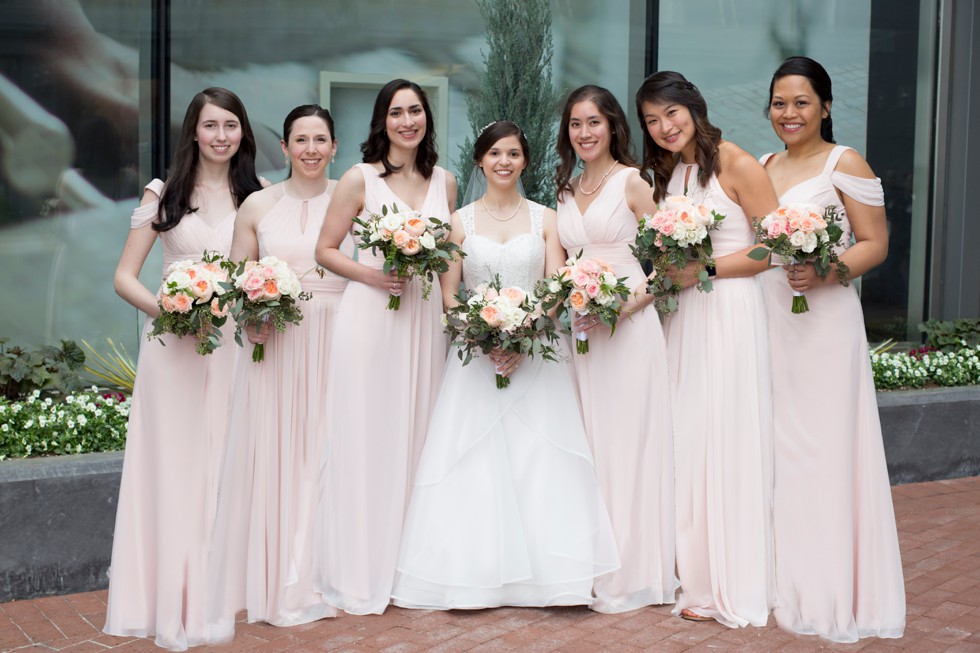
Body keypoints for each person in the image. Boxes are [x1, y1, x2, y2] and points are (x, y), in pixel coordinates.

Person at [391, 121, 620, 609]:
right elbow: (449, 294)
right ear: (480, 160)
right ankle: (474, 572)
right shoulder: (459, 221)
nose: (503, 162)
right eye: (494, 153)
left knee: (540, 458)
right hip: (475, 359)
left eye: (513, 153)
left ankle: (549, 576)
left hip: (537, 354)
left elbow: (556, 288)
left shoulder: (546, 219)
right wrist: (482, 333)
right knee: (474, 462)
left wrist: (524, 335)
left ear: (525, 161)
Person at [104, 87, 263, 651]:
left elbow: (262, 278)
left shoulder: (258, 195)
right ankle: (169, 598)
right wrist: (172, 312)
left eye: (231, 125)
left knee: (222, 459)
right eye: (210, 125)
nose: (221, 135)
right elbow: (126, 277)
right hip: (172, 349)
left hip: (232, 347)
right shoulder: (163, 192)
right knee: (174, 465)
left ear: (243, 132)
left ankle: (216, 595)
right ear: (193, 132)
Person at [760, 56, 905, 643]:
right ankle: (779, 577)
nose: (789, 113)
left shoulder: (844, 162)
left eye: (800, 102)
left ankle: (828, 586)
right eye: (779, 102)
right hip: (773, 318)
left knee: (825, 449)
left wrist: (827, 272)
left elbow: (876, 243)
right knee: (777, 448)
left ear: (824, 105)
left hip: (825, 323)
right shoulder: (764, 165)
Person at [635, 71, 780, 627]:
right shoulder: (670, 176)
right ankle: (693, 574)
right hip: (687, 315)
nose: (664, 126)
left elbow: (773, 247)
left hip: (730, 311)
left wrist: (706, 268)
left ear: (694, 107)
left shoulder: (737, 163)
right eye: (652, 119)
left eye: (671, 113)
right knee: (687, 438)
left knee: (726, 436)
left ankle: (732, 579)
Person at [205, 105, 350, 640]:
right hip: (280, 341)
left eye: (320, 140)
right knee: (282, 455)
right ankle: (279, 573)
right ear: (284, 148)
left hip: (341, 337)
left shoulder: (353, 200)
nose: (310, 149)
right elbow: (235, 281)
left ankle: (327, 572)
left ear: (336, 147)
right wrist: (251, 318)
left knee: (331, 451)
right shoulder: (258, 206)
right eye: (300, 140)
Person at [313, 79, 456, 615]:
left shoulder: (446, 180)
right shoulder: (358, 180)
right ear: (382, 121)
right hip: (371, 317)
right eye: (396, 112)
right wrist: (374, 277)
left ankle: (409, 567)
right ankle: (358, 567)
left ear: (427, 118)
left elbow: (448, 258)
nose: (407, 121)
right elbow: (325, 251)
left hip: (422, 322)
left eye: (415, 111)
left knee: (418, 435)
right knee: (367, 436)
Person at [554, 85, 677, 613]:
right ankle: (589, 564)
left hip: (628, 329)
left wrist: (623, 308)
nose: (584, 133)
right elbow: (559, 266)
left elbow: (670, 266)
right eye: (575, 124)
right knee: (588, 447)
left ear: (612, 127)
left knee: (628, 446)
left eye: (593, 122)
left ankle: (630, 571)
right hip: (582, 334)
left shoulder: (633, 183)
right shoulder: (563, 189)